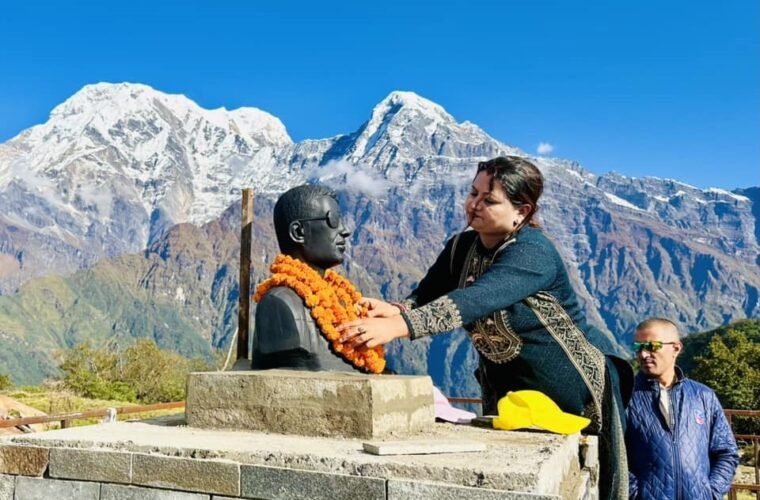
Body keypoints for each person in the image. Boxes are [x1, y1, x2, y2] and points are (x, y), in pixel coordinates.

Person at [339, 156, 632, 499]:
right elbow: (426, 296)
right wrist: (394, 309)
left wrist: (398, 326)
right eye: (472, 193)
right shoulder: (461, 247)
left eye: (489, 200)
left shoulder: (533, 253)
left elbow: (475, 300)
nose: (474, 204)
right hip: (508, 389)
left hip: (573, 390)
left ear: (521, 211)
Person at [625, 318, 739, 499]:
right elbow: (614, 456)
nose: (644, 354)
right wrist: (636, 495)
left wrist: (711, 493)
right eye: (639, 347)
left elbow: (726, 452)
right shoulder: (626, 397)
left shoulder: (703, 396)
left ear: (676, 348)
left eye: (652, 346)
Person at [251, 184, 361, 372]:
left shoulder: (342, 299)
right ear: (299, 233)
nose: (345, 230)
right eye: (333, 220)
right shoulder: (279, 303)